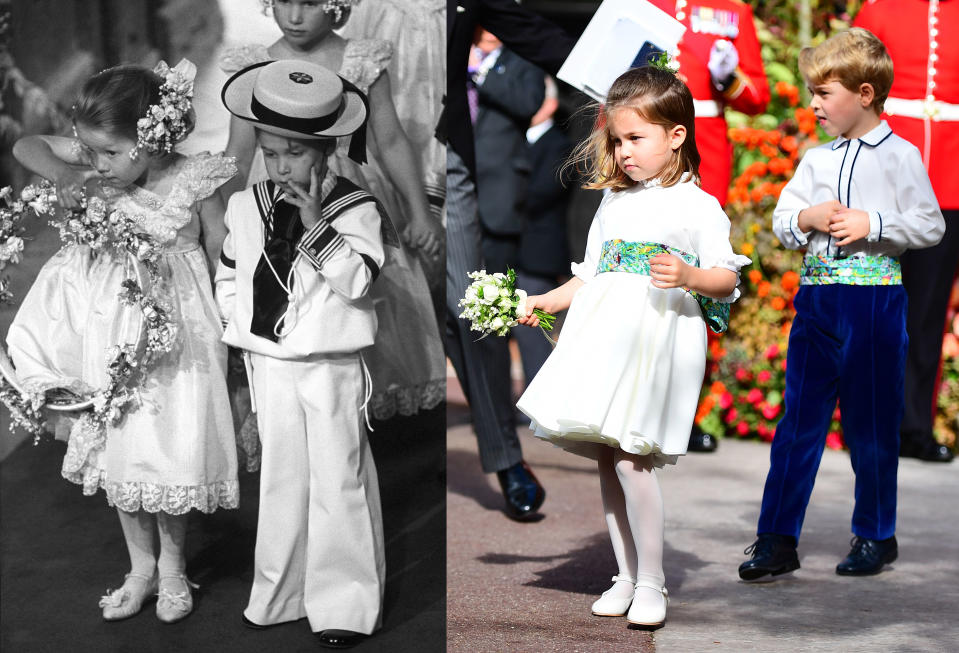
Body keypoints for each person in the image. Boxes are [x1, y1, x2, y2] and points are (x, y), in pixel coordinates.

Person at [516, 66, 750, 628]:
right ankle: (624, 574)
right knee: (607, 456)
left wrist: (690, 276)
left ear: (676, 136)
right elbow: (590, 274)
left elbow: (727, 279)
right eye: (618, 140)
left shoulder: (698, 206)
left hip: (657, 338)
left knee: (632, 457)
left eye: (635, 139)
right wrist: (548, 300)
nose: (623, 152)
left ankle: (652, 581)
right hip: (606, 337)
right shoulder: (614, 203)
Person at [9, 61, 238, 623]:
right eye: (88, 151)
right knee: (122, 448)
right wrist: (66, 175)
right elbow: (26, 144)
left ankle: (174, 569)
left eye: (110, 153)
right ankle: (140, 569)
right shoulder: (93, 162)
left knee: (172, 446)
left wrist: (235, 337)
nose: (97, 163)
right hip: (109, 333)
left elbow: (218, 257)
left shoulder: (194, 180)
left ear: (153, 140)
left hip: (179, 337)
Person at [739, 28, 945, 582]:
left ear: (865, 94)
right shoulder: (815, 160)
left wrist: (872, 222)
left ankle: (877, 534)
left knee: (871, 425)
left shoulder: (901, 156)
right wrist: (804, 218)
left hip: (874, 305)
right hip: (816, 302)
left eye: (825, 93)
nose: (814, 104)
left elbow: (931, 224)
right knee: (798, 423)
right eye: (812, 92)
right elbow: (785, 219)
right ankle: (776, 538)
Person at [218, 59, 385, 650]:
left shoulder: (354, 208)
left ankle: (345, 602)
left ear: (324, 151)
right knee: (282, 479)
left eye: (294, 152)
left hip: (329, 363)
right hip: (270, 362)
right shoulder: (246, 204)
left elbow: (360, 283)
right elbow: (231, 274)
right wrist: (233, 327)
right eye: (270, 150)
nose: (280, 164)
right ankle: (280, 595)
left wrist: (316, 228)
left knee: (337, 478)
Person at [219, 0, 444, 423]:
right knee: (290, 288)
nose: (295, 17)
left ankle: (360, 398)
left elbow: (390, 141)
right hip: (276, 190)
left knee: (356, 286)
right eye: (285, 3)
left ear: (336, 6)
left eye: (309, 4)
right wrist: (221, 220)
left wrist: (419, 211)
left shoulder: (361, 59)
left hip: (348, 191)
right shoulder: (253, 67)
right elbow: (238, 153)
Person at [447, 0, 576, 521]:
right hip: (373, 154)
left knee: (474, 313)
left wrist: (633, 69)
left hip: (451, 165)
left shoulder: (500, 49)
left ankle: (506, 459)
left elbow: (538, 35)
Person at [647, 0, 770, 453]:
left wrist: (729, 79)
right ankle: (640, 404)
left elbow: (756, 97)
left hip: (705, 157)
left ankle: (685, 413)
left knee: (697, 282)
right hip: (642, 153)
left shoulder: (731, 10)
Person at [854, 0, 959, 463]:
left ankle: (914, 427)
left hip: (951, 180)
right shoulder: (880, 10)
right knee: (875, 306)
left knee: (928, 313)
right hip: (888, 178)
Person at [513, 75, 573, 384]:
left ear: (549, 104)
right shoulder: (517, 140)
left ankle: (541, 394)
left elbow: (544, 191)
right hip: (515, 247)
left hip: (539, 250)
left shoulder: (560, 145)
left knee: (537, 330)